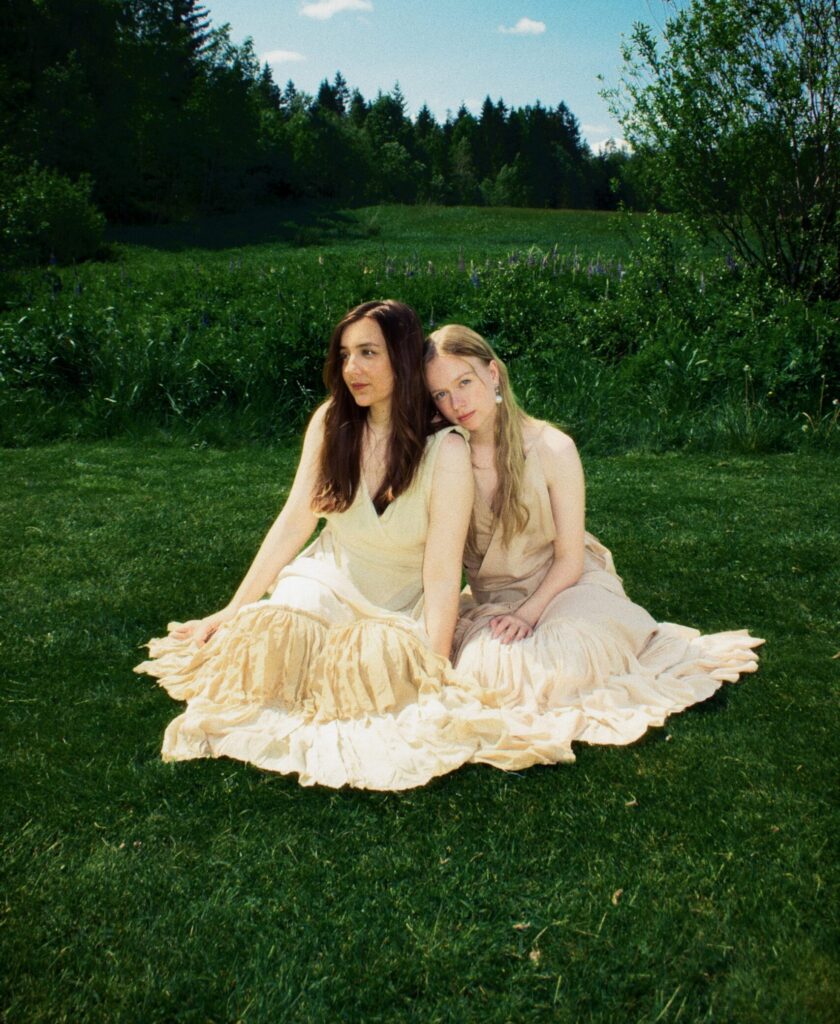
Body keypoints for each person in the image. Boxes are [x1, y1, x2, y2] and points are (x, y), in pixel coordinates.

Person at [135, 301, 485, 790]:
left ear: (402, 358)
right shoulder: (331, 423)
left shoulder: (445, 449)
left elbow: (444, 570)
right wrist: (232, 609)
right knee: (278, 640)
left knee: (368, 678)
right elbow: (294, 522)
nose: (351, 369)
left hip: (393, 605)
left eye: (368, 353)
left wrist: (436, 662)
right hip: (324, 579)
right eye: (344, 355)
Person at [424, 324, 763, 767]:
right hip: (496, 602)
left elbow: (569, 560)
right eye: (441, 394)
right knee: (488, 672)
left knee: (561, 658)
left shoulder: (552, 447)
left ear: (492, 374)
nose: (456, 402)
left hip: (567, 588)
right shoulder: (447, 458)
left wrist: (527, 615)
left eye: (464, 382)